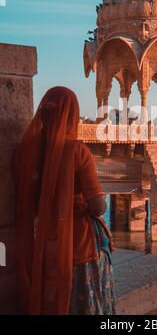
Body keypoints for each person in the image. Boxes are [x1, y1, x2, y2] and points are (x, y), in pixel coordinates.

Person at [13, 86, 116, 315]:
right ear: (72, 116)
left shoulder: (26, 151)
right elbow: (98, 207)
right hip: (79, 244)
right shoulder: (77, 151)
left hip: (45, 243)